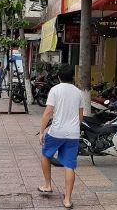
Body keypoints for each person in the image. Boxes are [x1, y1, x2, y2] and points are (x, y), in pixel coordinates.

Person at [38, 64, 83, 209]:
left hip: (56, 131)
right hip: (73, 133)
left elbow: (48, 112)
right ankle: (68, 200)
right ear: (73, 77)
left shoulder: (55, 90)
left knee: (46, 155)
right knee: (69, 165)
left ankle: (47, 185)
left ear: (59, 77)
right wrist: (74, 127)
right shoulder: (79, 92)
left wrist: (41, 131)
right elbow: (81, 117)